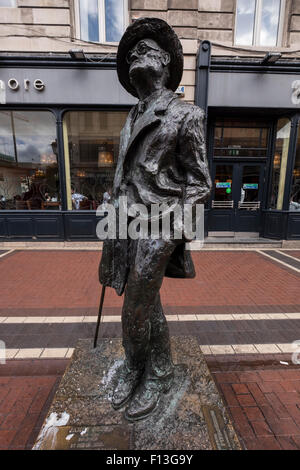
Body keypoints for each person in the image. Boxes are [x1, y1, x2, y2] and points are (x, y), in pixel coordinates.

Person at [99, 18, 211, 421]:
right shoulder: (131, 117)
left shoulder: (186, 115)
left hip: (160, 224)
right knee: (148, 304)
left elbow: (200, 184)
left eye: (143, 50)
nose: (134, 56)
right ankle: (159, 368)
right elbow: (125, 174)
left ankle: (136, 367)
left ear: (164, 60)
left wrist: (174, 232)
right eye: (130, 54)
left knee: (135, 308)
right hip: (125, 225)